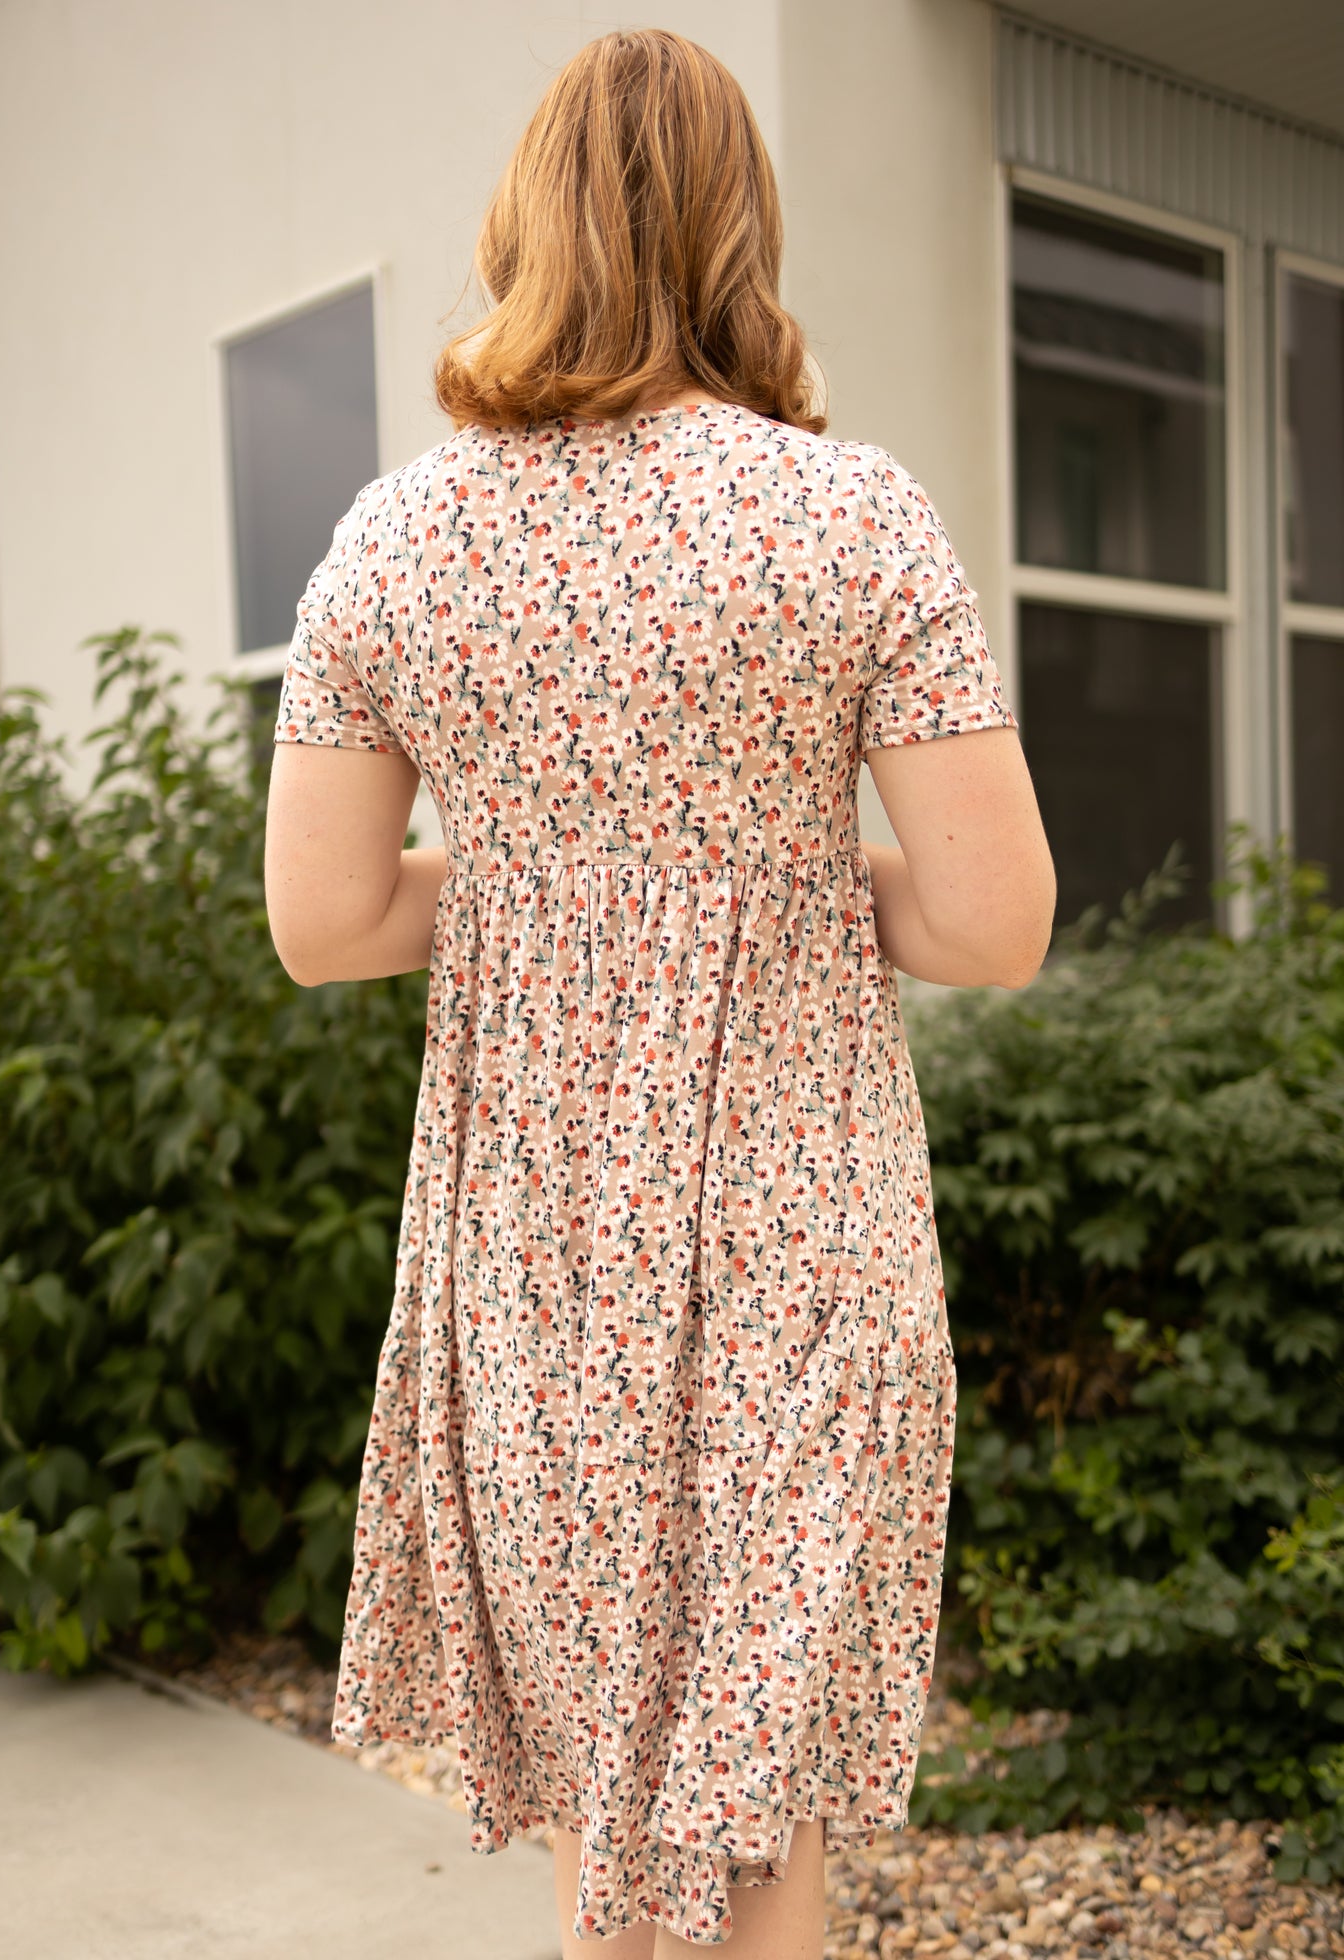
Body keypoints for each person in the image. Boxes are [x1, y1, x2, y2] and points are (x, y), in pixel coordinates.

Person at [263, 26, 1057, 1957]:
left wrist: (556, 895)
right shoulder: (851, 517)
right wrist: (761, 884)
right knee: (750, 1814)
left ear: (523, 231)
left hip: (536, 1248)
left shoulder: (393, 542)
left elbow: (331, 918)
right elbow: (990, 924)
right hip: (802, 1223)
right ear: (739, 231)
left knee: (609, 1820)